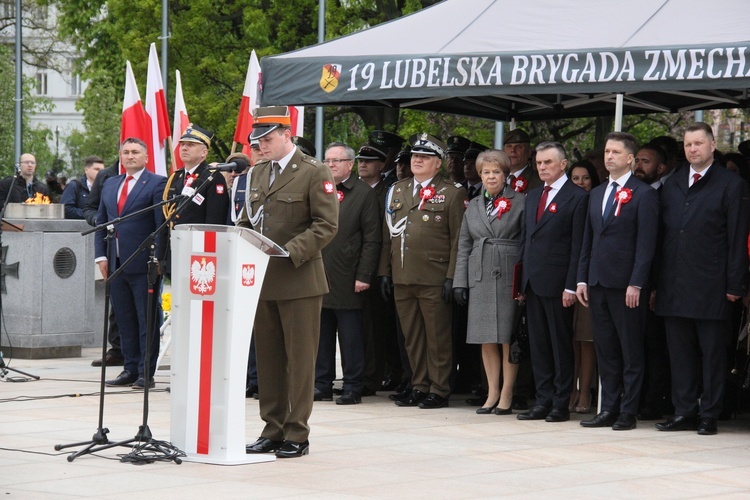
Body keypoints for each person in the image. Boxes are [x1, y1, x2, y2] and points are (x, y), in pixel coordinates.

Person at [237, 106, 338, 458]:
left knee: (299, 361)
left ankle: (297, 432)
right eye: (258, 140)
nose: (261, 145)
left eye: (267, 139)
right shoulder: (257, 172)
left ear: (287, 135)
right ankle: (273, 428)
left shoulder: (314, 171)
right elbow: (250, 221)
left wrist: (289, 251)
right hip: (263, 281)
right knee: (268, 361)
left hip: (299, 279)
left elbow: (326, 224)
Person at [655, 122, 750, 435]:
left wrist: (736, 284)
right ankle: (684, 411)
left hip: (712, 282)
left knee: (712, 353)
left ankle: (709, 412)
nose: (692, 149)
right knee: (679, 352)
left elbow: (737, 238)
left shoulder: (730, 184)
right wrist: (656, 282)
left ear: (712, 146)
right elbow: (663, 234)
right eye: (687, 144)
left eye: (698, 143)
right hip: (673, 281)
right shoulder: (673, 182)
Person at [576, 132, 659, 431]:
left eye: (615, 152)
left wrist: (637, 282)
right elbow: (588, 239)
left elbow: (646, 244)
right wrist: (582, 278)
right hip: (597, 281)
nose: (609, 156)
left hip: (626, 286)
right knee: (606, 348)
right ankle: (608, 407)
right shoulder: (597, 193)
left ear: (630, 159)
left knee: (630, 349)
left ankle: (628, 410)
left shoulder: (644, 194)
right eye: (607, 151)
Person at [377, 133, 467, 409]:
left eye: (425, 157)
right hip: (403, 274)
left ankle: (439, 388)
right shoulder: (398, 189)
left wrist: (452, 276)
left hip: (434, 276)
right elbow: (386, 236)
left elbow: (457, 240)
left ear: (438, 164)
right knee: (412, 336)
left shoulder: (452, 192)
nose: (417, 160)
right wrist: (385, 272)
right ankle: (419, 384)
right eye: (415, 155)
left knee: (437, 337)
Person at [517, 142, 588, 423]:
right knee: (539, 344)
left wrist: (571, 285)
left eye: (548, 162)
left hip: (559, 283)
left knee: (560, 344)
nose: (542, 167)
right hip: (534, 281)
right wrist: (521, 282)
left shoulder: (577, 197)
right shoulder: (532, 196)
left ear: (563, 164)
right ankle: (542, 400)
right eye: (539, 163)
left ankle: (561, 402)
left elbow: (578, 245)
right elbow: (527, 240)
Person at [453, 150, 524, 414]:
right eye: (486, 172)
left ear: (505, 175)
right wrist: (461, 280)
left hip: (507, 273)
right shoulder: (473, 205)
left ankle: (507, 393)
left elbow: (527, 243)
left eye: (496, 172)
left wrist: (522, 281)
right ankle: (492, 391)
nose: (491, 176)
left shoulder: (520, 201)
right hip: (480, 273)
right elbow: (463, 245)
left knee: (507, 337)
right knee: (485, 338)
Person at [97, 138, 167, 390]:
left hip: (143, 263)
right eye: (125, 152)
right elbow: (101, 222)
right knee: (124, 319)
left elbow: (161, 225)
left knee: (146, 320)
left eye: (135, 152)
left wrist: (159, 260)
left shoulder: (157, 183)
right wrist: (101, 256)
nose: (130, 156)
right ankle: (129, 368)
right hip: (115, 262)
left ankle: (145, 373)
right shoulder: (111, 183)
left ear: (146, 157)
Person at [315, 142, 381, 405]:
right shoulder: (322, 189)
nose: (330, 165)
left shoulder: (363, 193)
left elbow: (372, 238)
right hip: (321, 272)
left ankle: (353, 385)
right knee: (322, 334)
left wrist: (364, 275)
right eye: (327, 161)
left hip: (349, 275)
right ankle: (322, 383)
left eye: (336, 161)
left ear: (350, 165)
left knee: (351, 336)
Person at [567, 160, 600, 413]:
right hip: (566, 280)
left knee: (586, 338)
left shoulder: (599, 202)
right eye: (575, 178)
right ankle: (572, 389)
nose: (580, 183)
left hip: (590, 280)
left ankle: (586, 391)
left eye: (585, 178)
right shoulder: (567, 203)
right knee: (571, 341)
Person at [162, 124, 229, 227]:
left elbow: (215, 220)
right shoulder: (175, 177)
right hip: (173, 240)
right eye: (182, 144)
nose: (184, 148)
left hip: (197, 240)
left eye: (191, 145)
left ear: (204, 152)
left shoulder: (212, 177)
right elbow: (165, 219)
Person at [503, 129, 542, 193]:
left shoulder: (538, 181)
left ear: (529, 152)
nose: (513, 150)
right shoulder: (497, 178)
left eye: (519, 147)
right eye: (509, 146)